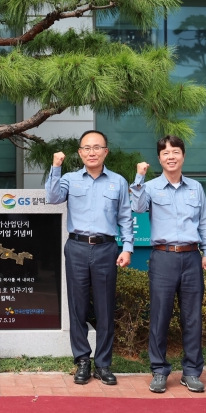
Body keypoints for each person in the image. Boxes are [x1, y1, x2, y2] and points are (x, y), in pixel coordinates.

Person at [45, 130, 133, 386]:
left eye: (97, 147)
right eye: (86, 148)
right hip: (77, 248)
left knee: (105, 308)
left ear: (106, 151)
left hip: (106, 249)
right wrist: (56, 167)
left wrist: (127, 248)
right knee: (78, 307)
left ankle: (104, 363)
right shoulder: (70, 179)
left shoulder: (118, 182)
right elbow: (52, 198)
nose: (92, 152)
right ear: (80, 153)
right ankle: (82, 359)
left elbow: (125, 217)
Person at [130, 135, 206, 394]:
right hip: (163, 257)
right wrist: (139, 178)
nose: (171, 156)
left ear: (183, 156)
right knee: (160, 316)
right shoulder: (152, 187)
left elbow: (204, 221)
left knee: (192, 318)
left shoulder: (195, 188)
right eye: (165, 153)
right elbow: (137, 207)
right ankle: (158, 370)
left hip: (191, 256)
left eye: (175, 152)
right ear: (159, 158)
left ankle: (191, 372)